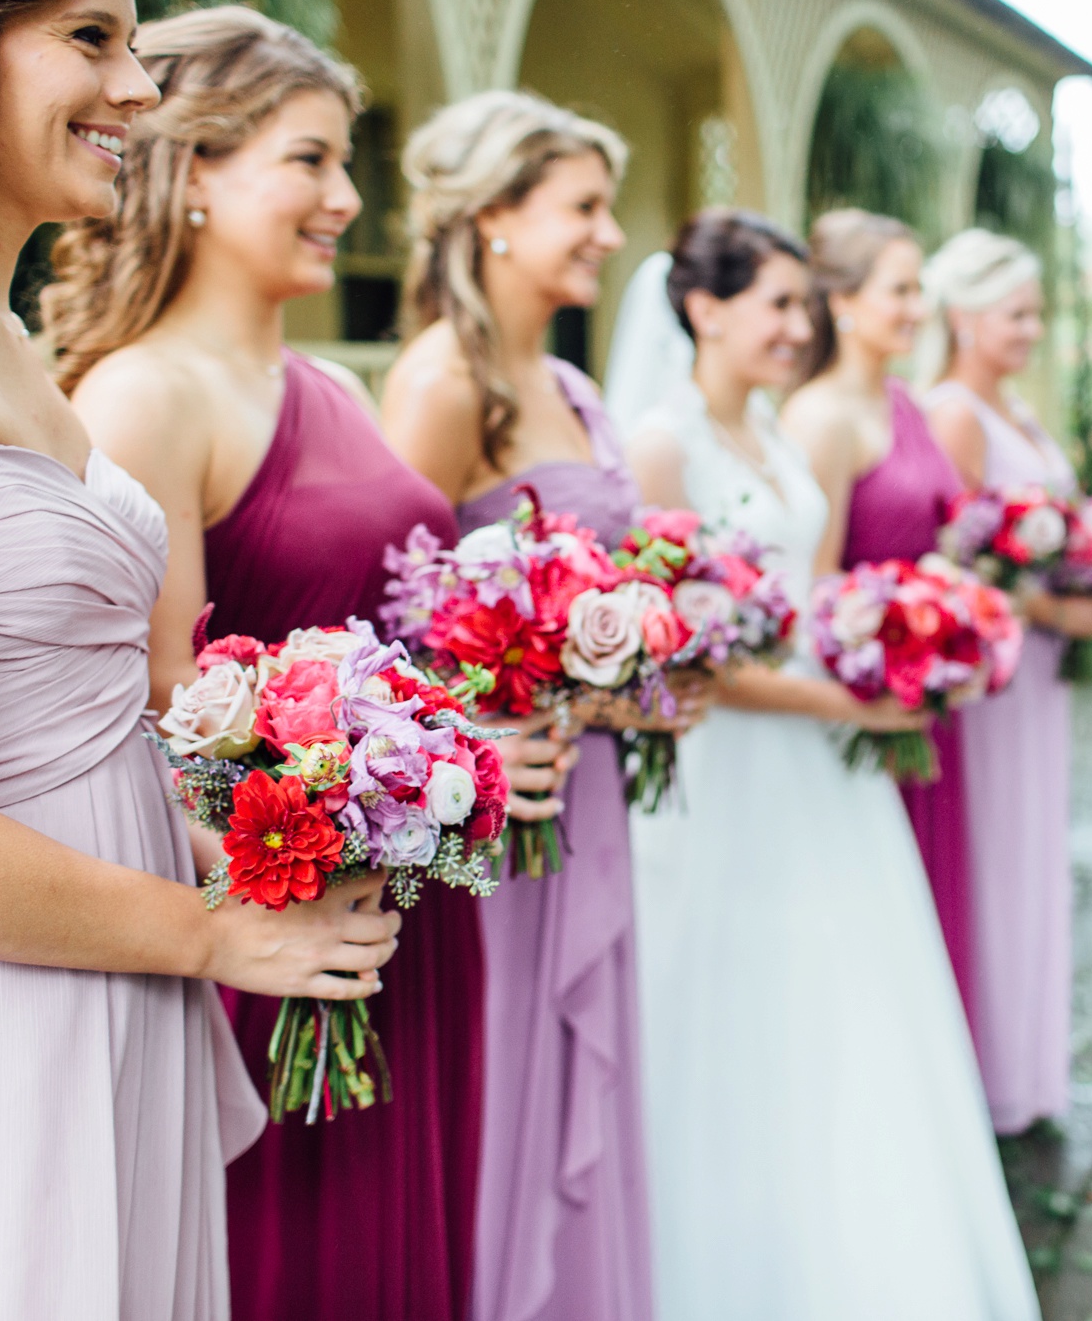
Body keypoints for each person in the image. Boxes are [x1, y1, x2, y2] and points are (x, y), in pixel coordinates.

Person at [0, 0, 401, 1318]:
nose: (140, 86)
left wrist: (296, 840)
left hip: (115, 979)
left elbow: (90, 716)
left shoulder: (3, 341)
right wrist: (205, 934)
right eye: (91, 39)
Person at [43, 7, 563, 1321]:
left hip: (413, 903)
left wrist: (462, 756)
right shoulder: (143, 396)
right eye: (312, 161)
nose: (345, 200)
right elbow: (149, 721)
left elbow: (395, 643)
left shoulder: (327, 380)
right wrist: (306, 855)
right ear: (195, 169)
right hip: (287, 923)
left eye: (348, 167)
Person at [621, 208, 1040, 1319]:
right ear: (703, 309)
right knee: (738, 1006)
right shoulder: (662, 446)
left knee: (855, 1002)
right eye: (774, 303)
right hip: (731, 773)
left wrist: (888, 635)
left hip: (821, 770)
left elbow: (804, 601)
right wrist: (849, 694)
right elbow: (685, 656)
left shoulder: (772, 432)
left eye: (801, 303)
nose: (794, 324)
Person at [383, 90, 682, 1321]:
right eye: (582, 208)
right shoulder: (443, 382)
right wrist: (490, 720)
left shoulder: (570, 380)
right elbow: (391, 612)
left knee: (585, 1076)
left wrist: (651, 660)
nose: (608, 236)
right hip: (499, 810)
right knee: (506, 1070)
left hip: (587, 787)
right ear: (492, 216)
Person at [919, 228, 1092, 1136]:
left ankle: (1028, 1059)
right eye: (1016, 313)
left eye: (1038, 312)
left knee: (1034, 842)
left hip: (1044, 677)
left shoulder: (1020, 412)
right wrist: (1050, 609)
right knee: (995, 844)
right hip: (999, 673)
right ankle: (986, 1059)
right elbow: (955, 562)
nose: (1033, 328)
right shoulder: (955, 412)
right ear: (963, 316)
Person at [779, 208, 985, 1030]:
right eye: (899, 289)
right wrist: (888, 636)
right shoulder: (819, 419)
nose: (915, 308)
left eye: (918, 290)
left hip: (927, 695)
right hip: (866, 698)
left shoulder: (909, 403)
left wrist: (958, 616)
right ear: (842, 302)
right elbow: (815, 582)